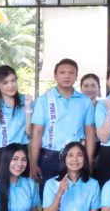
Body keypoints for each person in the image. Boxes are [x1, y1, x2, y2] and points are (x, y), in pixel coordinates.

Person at [30, 59, 95, 190]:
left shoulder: (85, 101)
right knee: (49, 198)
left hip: (76, 158)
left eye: (71, 73)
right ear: (55, 76)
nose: (67, 76)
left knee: (75, 197)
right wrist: (33, 163)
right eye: (62, 72)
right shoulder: (44, 100)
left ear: (76, 76)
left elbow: (90, 133)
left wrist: (89, 160)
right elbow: (37, 133)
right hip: (49, 158)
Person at [0, 65, 31, 179]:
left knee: (20, 187)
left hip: (20, 153)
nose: (11, 85)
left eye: (13, 80)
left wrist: (28, 109)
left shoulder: (26, 100)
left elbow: (29, 132)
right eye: (5, 82)